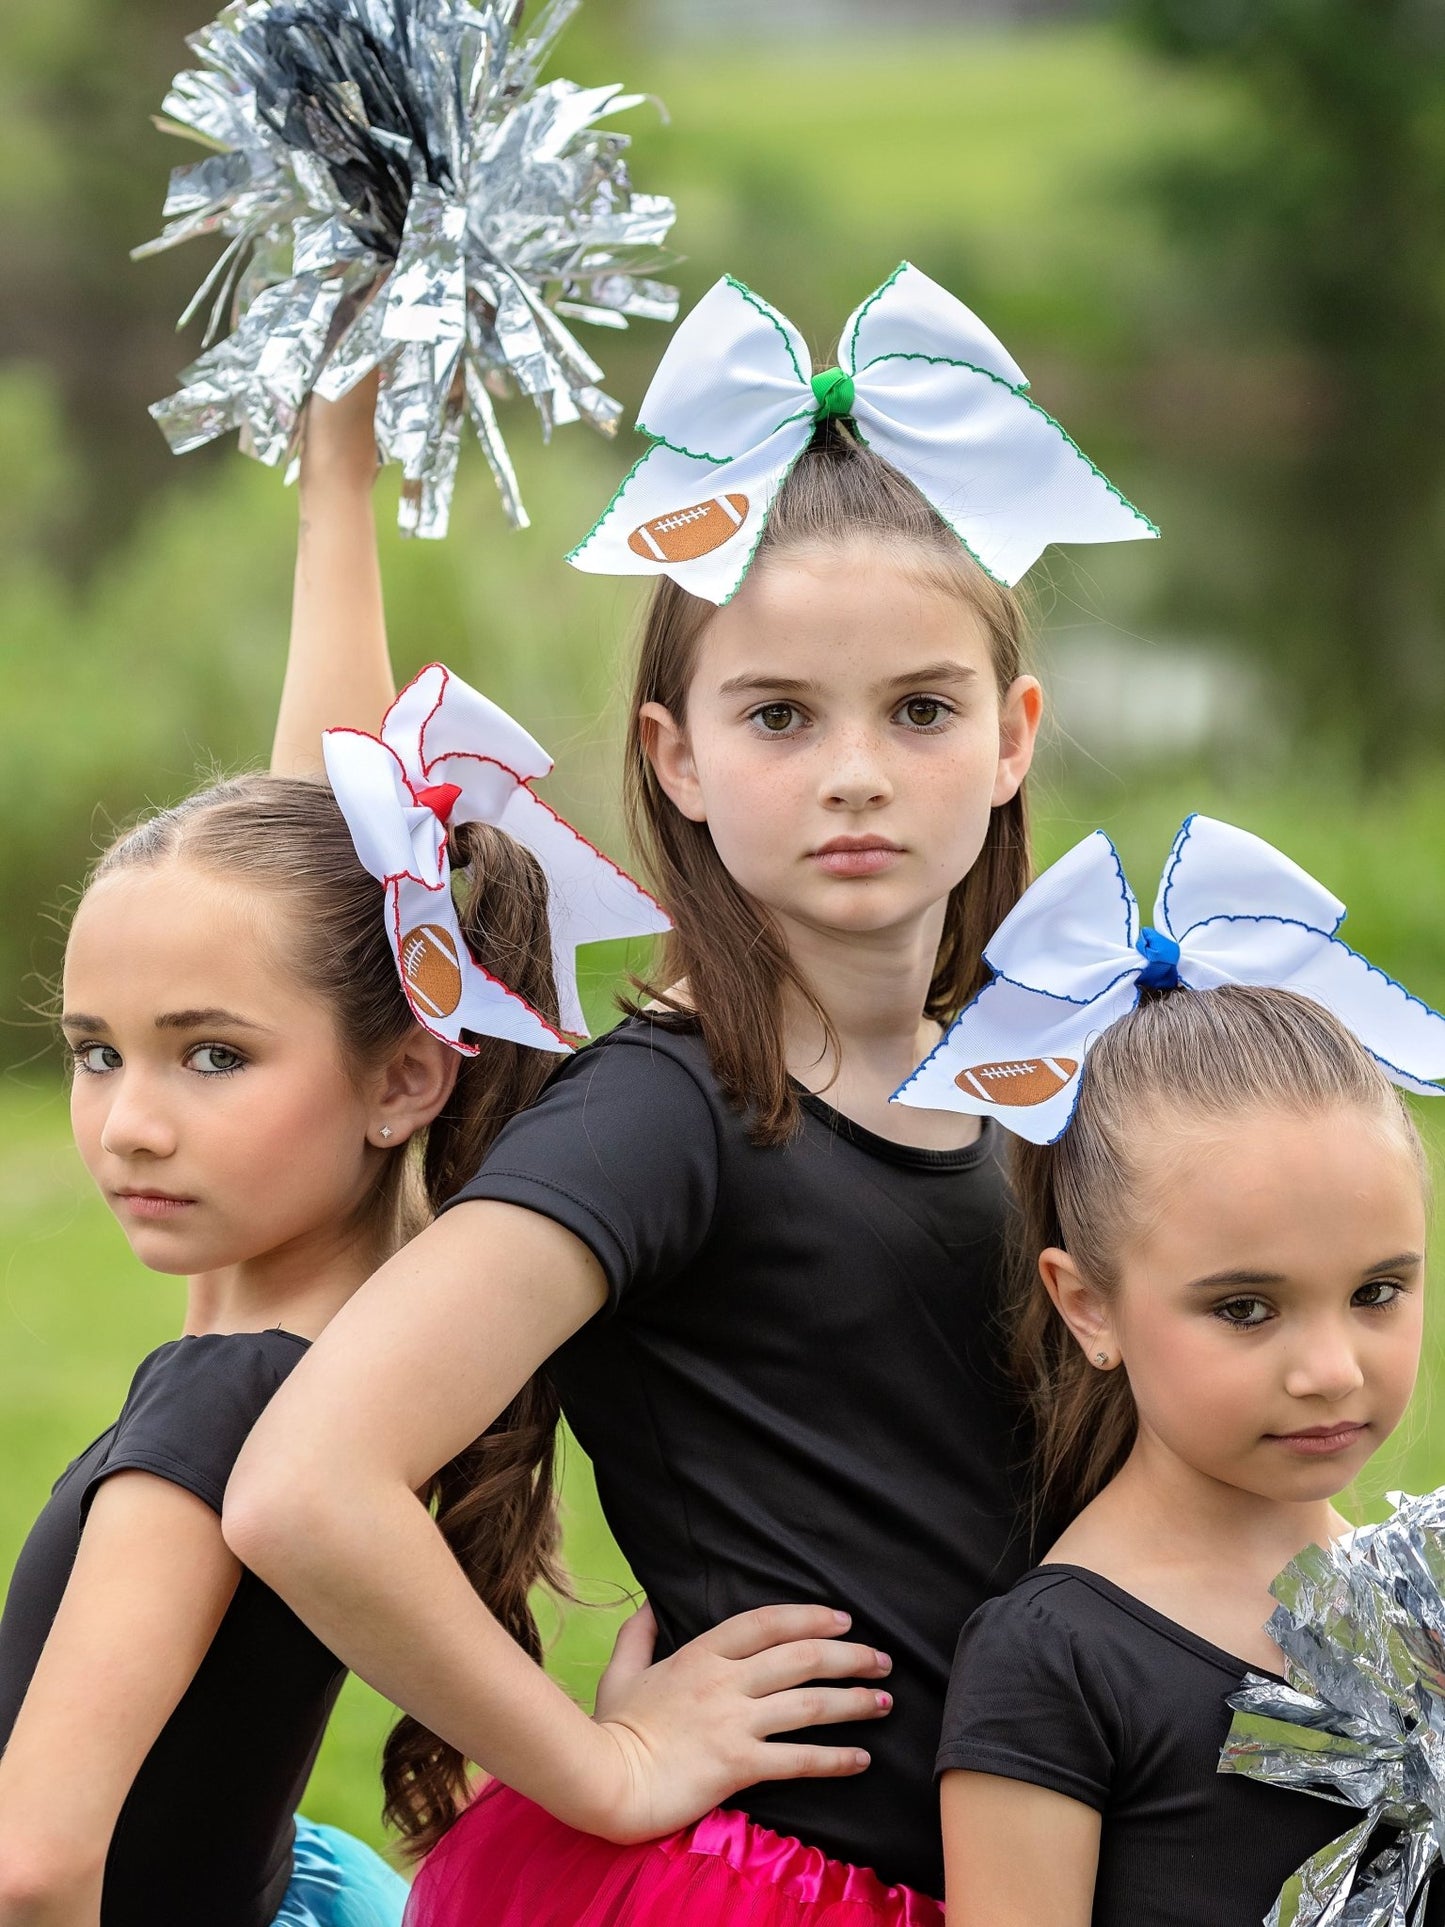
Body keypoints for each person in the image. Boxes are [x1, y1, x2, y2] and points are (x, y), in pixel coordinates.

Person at [222, 266, 1156, 1923]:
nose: (855, 772)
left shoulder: (1034, 1082)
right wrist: (604, 1767)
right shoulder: (668, 1115)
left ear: (1014, 735)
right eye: (779, 715)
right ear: (675, 755)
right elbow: (307, 1484)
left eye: (920, 710)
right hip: (779, 1890)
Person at [0, 391, 800, 1927]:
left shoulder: (219, 1406)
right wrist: (337, 475)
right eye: (97, 1051)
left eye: (209, 1055)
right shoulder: (342, 1323)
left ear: (401, 1077)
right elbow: (327, 885)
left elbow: (35, 1864)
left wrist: (614, 1767)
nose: (132, 1121)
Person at [912, 819, 1445, 1926]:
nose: (1329, 1370)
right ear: (1088, 1306)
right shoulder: (1056, 1662)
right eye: (1244, 1308)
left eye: (1376, 1291)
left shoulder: (1417, 1600)